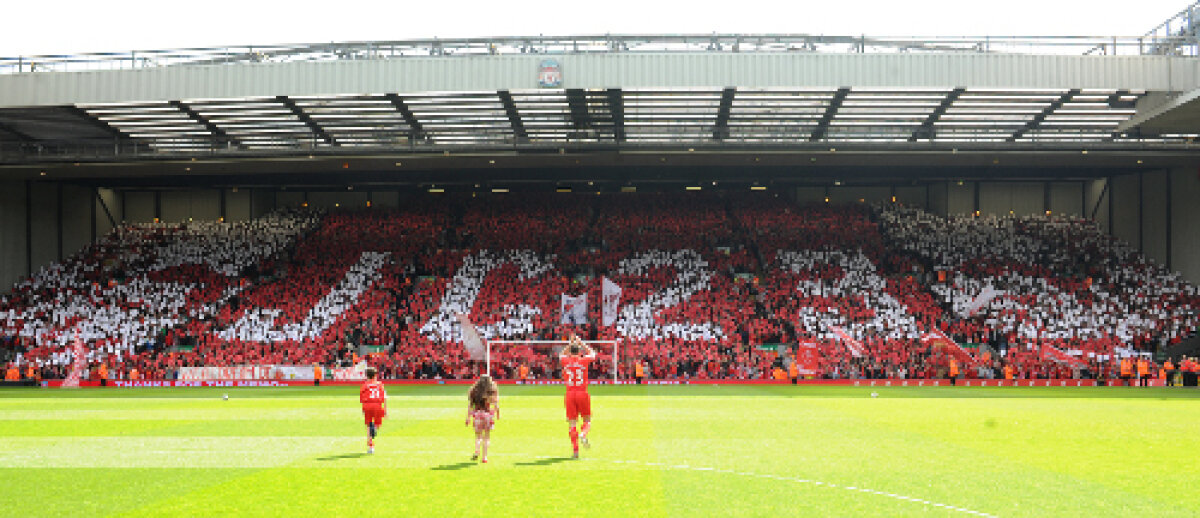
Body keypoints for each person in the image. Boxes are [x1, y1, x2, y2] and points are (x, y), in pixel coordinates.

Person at [561, 334, 595, 459]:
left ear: (570, 352)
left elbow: (561, 354)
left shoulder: (565, 360)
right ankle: (583, 434)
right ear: (579, 351)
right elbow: (593, 353)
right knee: (587, 420)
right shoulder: (584, 360)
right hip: (582, 392)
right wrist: (582, 343)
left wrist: (570, 343)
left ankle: (575, 451)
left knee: (572, 423)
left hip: (569, 394)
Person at [465, 374, 500, 463]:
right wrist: (498, 414)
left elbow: (470, 406)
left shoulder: (474, 391)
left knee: (478, 436)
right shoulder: (491, 391)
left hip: (477, 415)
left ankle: (477, 451)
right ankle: (484, 457)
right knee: (486, 437)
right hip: (487, 415)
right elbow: (496, 405)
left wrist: (468, 417)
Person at [359, 367, 387, 454]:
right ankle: (374, 428)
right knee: (377, 424)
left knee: (368, 426)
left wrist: (364, 408)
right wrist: (385, 410)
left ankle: (371, 447)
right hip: (377, 405)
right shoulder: (380, 384)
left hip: (367, 405)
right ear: (375, 375)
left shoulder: (364, 385)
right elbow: (384, 398)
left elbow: (362, 398)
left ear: (366, 375)